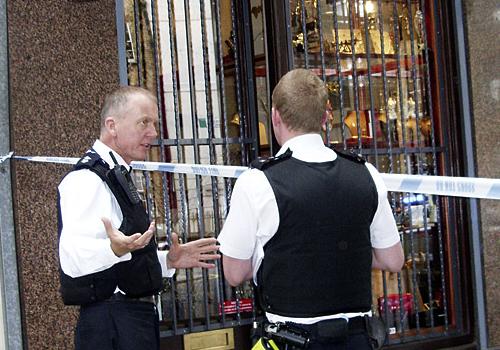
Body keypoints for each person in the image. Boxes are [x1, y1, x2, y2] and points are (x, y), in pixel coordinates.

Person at [217, 69, 404, 350]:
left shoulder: (257, 181)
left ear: (275, 117)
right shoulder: (366, 173)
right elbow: (392, 260)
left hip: (290, 339)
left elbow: (234, 273)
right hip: (356, 338)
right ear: (325, 118)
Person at [57, 86, 220, 350]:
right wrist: (112, 248)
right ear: (112, 126)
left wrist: (168, 260)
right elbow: (73, 258)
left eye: (154, 123)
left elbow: (126, 253)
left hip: (126, 321)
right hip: (112, 323)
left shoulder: (117, 174)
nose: (154, 133)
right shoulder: (86, 179)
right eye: (144, 122)